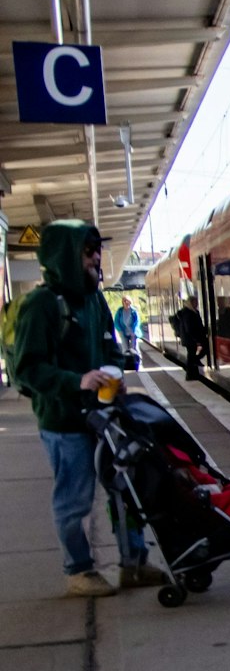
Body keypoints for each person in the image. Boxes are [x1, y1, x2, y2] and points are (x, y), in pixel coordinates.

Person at [12, 221, 161, 597]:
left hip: (105, 416)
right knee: (74, 499)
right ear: (67, 255)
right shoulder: (42, 305)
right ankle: (77, 570)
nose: (97, 257)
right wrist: (76, 381)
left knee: (124, 489)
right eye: (88, 249)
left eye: (97, 248)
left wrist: (115, 368)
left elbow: (110, 344)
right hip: (63, 422)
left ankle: (133, 564)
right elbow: (27, 369)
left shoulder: (95, 300)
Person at [170, 296, 206, 379]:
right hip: (190, 339)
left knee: (192, 355)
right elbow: (189, 328)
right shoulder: (188, 313)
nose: (196, 304)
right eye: (195, 302)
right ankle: (190, 375)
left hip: (189, 338)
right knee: (192, 355)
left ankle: (193, 373)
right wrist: (196, 339)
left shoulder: (192, 311)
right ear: (191, 302)